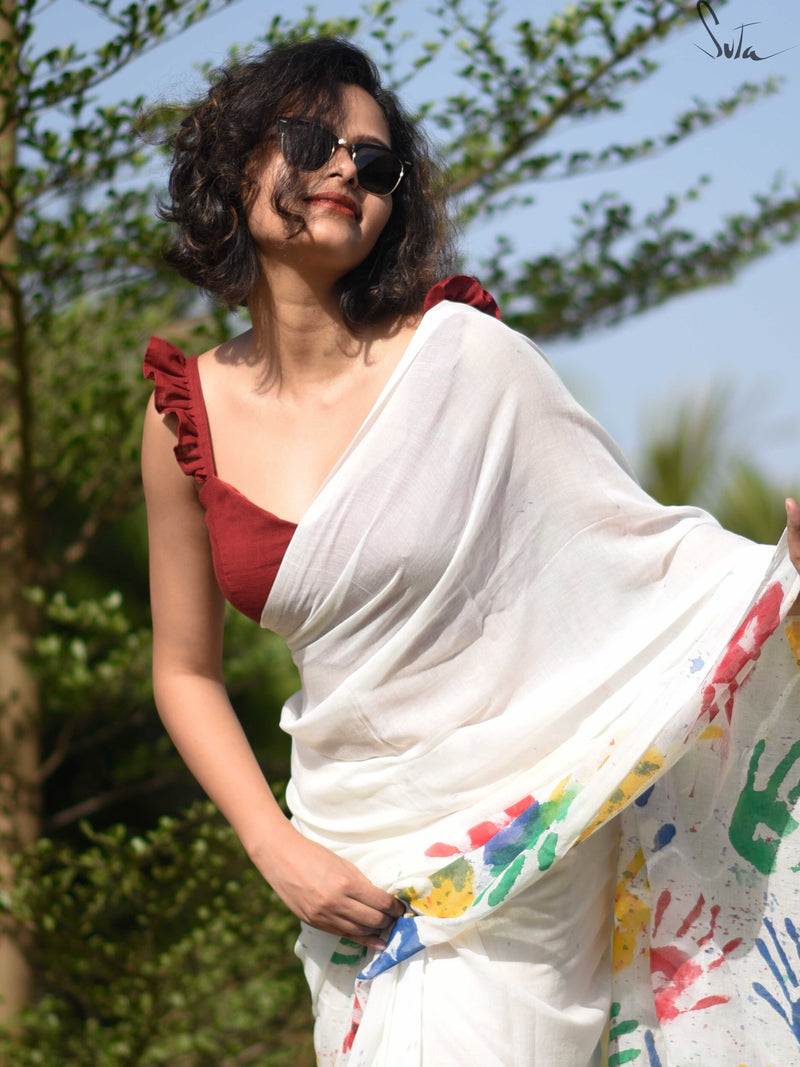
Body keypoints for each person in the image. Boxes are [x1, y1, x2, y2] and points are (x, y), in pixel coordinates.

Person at [142, 37, 800, 1067]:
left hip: (514, 842)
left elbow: (632, 558)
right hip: (346, 865)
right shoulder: (186, 414)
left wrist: (781, 579)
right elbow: (183, 669)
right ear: (233, 160)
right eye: (311, 139)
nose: (343, 173)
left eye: (373, 163)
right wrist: (278, 848)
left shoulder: (464, 361)